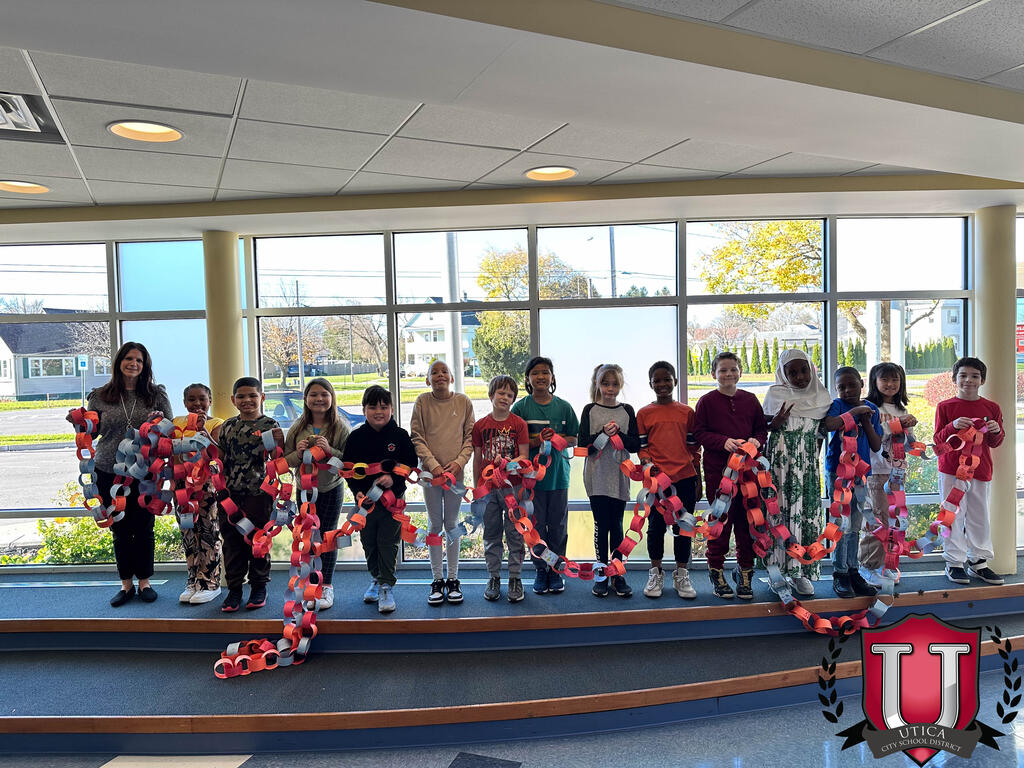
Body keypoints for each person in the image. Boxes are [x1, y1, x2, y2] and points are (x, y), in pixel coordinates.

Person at [77, 342, 174, 608]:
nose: (134, 364)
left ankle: (145, 582)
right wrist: (79, 424)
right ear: (119, 362)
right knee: (119, 528)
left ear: (145, 366)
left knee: (143, 527)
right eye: (129, 359)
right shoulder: (99, 396)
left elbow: (168, 430)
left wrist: (159, 423)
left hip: (144, 470)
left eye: (139, 360)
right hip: (108, 469)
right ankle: (126, 585)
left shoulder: (156, 394)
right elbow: (92, 433)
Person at [694, 351, 767, 600]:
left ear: (740, 372)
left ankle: (745, 573)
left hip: (748, 474)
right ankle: (716, 571)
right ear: (713, 374)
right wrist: (723, 442)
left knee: (747, 524)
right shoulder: (706, 402)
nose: (728, 374)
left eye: (733, 369)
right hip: (719, 474)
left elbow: (761, 429)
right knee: (720, 524)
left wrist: (756, 441)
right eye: (723, 370)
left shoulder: (750, 400)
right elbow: (699, 433)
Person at [761, 349, 831, 597]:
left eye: (804, 371)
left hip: (807, 465)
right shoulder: (775, 395)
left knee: (804, 513)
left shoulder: (821, 397)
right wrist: (773, 424)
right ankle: (776, 572)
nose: (800, 377)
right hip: (779, 465)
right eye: (793, 372)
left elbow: (823, 431)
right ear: (783, 374)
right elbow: (760, 428)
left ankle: (799, 572)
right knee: (779, 513)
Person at [342, 385, 417, 614]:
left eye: (384, 407)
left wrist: (393, 478)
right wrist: (356, 491)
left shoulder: (400, 436)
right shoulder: (356, 437)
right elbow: (349, 469)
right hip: (365, 502)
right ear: (364, 409)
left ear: (392, 409)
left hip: (392, 502)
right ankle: (375, 578)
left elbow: (410, 463)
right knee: (369, 541)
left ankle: (386, 585)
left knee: (388, 541)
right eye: (373, 407)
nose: (378, 411)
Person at [410, 360, 475, 606]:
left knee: (452, 524)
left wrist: (459, 462)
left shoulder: (463, 402)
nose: (440, 375)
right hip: (431, 476)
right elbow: (417, 437)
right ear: (427, 379)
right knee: (435, 524)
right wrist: (433, 465)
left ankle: (453, 579)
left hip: (455, 475)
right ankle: (437, 579)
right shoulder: (422, 402)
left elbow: (470, 438)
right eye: (434, 372)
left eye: (444, 371)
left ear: (452, 377)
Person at [511, 356, 579, 595]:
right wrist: (537, 440)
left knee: (558, 526)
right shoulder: (520, 408)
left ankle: (556, 569)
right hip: (531, 481)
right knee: (535, 527)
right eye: (535, 373)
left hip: (558, 477)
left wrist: (556, 439)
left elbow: (574, 438)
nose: (540, 377)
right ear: (528, 379)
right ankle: (541, 570)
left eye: (545, 372)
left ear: (552, 377)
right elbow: (515, 442)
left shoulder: (564, 407)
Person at [934, 357, 1004, 586]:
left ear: (982, 380)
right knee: (952, 513)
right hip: (951, 470)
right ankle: (954, 562)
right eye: (963, 375)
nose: (968, 380)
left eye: (975, 376)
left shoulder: (992, 408)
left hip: (980, 469)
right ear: (954, 379)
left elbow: (995, 442)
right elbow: (938, 441)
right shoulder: (945, 407)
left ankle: (979, 562)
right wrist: (952, 426)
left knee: (979, 514)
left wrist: (995, 430)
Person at [635, 361, 700, 600]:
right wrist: (647, 464)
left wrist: (698, 478)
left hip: (685, 478)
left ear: (675, 381)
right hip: (657, 481)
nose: (662, 384)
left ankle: (682, 574)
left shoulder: (687, 413)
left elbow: (694, 448)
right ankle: (656, 573)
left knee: (684, 527)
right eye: (657, 380)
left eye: (667, 379)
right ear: (650, 384)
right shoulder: (644, 414)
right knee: (655, 528)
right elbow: (642, 447)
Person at [284, 377, 350, 611]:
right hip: (305, 490)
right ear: (305, 399)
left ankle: (327, 585)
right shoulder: (298, 427)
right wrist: (299, 453)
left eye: (324, 394)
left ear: (332, 398)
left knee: (327, 537)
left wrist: (329, 450)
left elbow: (347, 462)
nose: (319, 399)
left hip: (330, 489)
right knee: (309, 538)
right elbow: (287, 460)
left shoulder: (340, 427)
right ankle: (312, 584)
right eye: (313, 394)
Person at [218, 377, 283, 613]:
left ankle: (258, 587)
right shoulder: (228, 426)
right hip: (230, 495)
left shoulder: (270, 425)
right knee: (232, 543)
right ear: (233, 400)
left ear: (262, 397)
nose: (247, 400)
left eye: (253, 395)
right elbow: (220, 457)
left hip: (259, 495)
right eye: (241, 396)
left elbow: (277, 458)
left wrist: (280, 442)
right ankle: (234, 589)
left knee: (259, 540)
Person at [578, 363, 641, 599]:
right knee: (601, 524)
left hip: (619, 475)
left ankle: (617, 573)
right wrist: (603, 434)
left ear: (621, 385)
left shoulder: (627, 411)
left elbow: (634, 445)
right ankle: (602, 572)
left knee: (616, 524)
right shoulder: (589, 410)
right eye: (605, 383)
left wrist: (619, 434)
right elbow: (584, 447)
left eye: (614, 384)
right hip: (596, 475)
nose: (610, 388)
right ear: (597, 384)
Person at [822, 366, 882, 599]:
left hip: (860, 472)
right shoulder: (837, 405)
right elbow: (830, 424)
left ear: (862, 384)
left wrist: (866, 420)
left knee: (855, 524)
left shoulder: (871, 409)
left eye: (852, 385)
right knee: (840, 522)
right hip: (838, 473)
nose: (847, 390)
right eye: (841, 387)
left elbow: (876, 445)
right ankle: (840, 572)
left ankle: (853, 570)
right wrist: (855, 411)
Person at [472, 375, 530, 603]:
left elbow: (524, 456)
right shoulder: (480, 426)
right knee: (491, 533)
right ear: (491, 395)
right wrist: (477, 487)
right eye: (501, 393)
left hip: (513, 488)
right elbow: (477, 458)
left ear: (513, 399)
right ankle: (494, 577)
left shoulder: (519, 424)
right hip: (488, 489)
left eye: (510, 395)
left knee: (515, 533)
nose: (505, 397)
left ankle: (515, 577)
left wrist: (507, 464)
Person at [859, 362, 917, 580]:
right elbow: (872, 437)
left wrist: (908, 430)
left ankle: (886, 563)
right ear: (874, 382)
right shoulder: (869, 408)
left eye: (895, 379)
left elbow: (909, 446)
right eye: (884, 379)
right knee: (878, 519)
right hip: (876, 471)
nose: (890, 384)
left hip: (896, 472)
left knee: (894, 520)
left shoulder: (901, 410)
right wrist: (895, 425)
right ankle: (868, 565)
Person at [172, 383, 223, 605]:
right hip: (181, 485)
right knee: (188, 532)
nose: (197, 403)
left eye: (202, 399)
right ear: (184, 403)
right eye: (191, 399)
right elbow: (168, 450)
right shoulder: (176, 423)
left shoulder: (216, 423)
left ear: (210, 400)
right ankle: (193, 579)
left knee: (209, 531)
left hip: (205, 484)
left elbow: (217, 453)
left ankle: (210, 581)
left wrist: (204, 432)